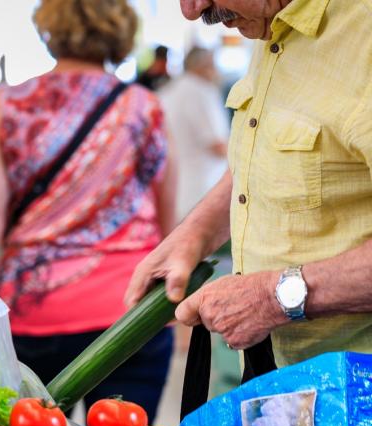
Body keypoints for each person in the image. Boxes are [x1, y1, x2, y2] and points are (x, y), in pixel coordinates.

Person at [0, 0, 177, 422]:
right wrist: (176, 312)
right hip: (130, 316)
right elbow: (170, 225)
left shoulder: (9, 106)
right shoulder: (143, 107)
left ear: (49, 26)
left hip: (34, 314)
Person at [126, 0, 372, 368]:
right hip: (284, 381)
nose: (192, 12)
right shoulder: (268, 19)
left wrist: (272, 298)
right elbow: (266, 156)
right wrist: (194, 234)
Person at [160, 47, 229, 221]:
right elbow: (217, 146)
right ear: (204, 65)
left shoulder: (169, 90)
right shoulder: (201, 92)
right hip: (201, 190)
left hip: (175, 189)